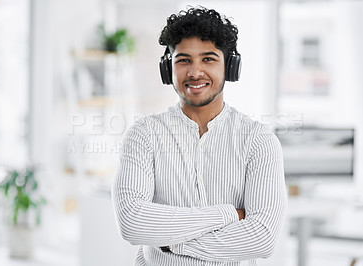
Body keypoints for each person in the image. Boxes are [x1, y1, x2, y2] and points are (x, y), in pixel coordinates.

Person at [111, 6, 287, 266]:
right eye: (183, 60)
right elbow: (132, 223)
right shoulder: (143, 135)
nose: (195, 72)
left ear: (230, 67)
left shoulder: (258, 141)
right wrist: (227, 214)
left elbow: (262, 238)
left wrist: (172, 242)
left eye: (208, 59)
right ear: (167, 68)